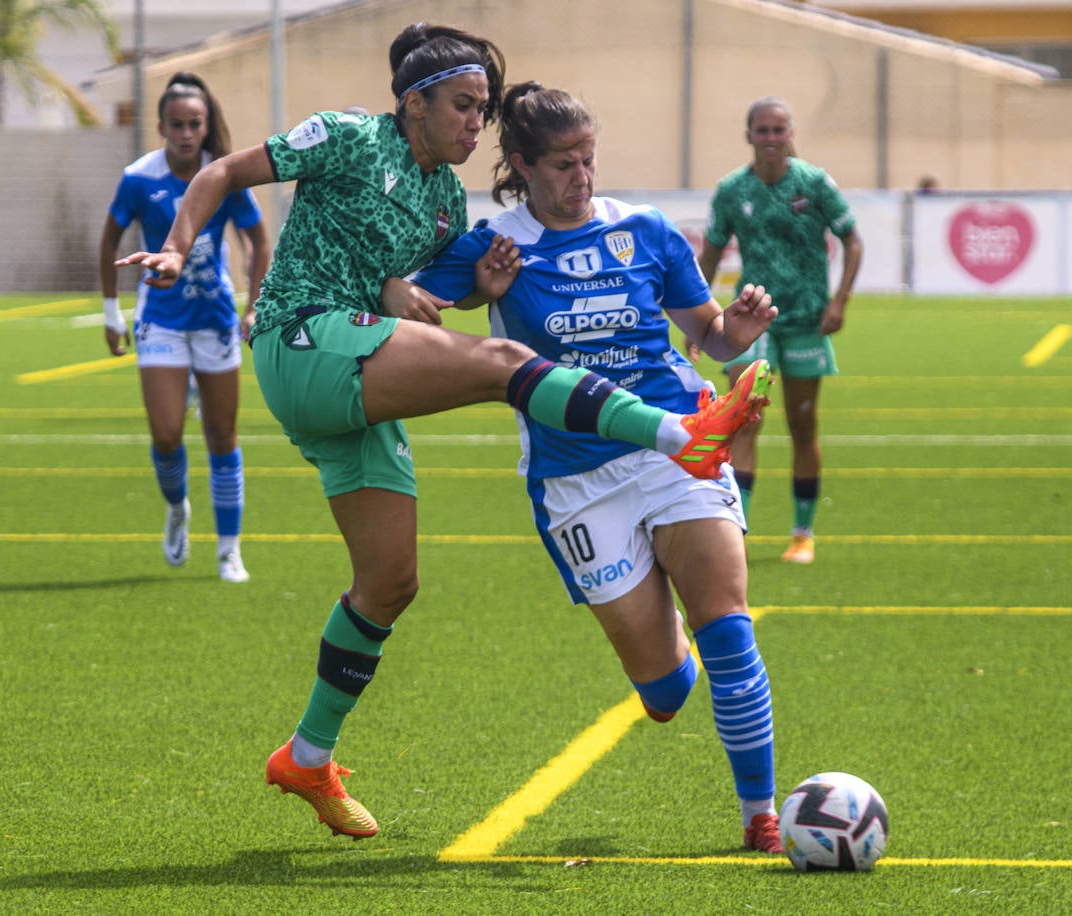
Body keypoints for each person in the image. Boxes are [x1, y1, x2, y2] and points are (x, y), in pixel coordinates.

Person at [114, 23, 769, 841]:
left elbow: (410, 291)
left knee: (390, 583)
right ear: (413, 103)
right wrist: (176, 248)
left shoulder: (446, 204)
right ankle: (683, 436)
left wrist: (443, 292)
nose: (475, 124)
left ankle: (308, 756)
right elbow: (220, 170)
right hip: (302, 337)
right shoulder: (350, 133)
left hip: (356, 376)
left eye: (482, 109)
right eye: (462, 106)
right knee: (501, 363)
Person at [410, 82, 785, 853]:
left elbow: (706, 337)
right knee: (664, 690)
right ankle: (663, 649)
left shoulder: (646, 233)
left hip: (680, 446)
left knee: (730, 634)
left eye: (589, 159)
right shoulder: (494, 246)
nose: (581, 176)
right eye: (563, 163)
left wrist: (735, 331)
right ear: (520, 164)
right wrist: (479, 296)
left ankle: (762, 815)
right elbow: (405, 314)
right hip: (575, 480)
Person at [99, 71, 272, 583]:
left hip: (214, 316)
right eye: (176, 124)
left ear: (205, 125)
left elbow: (259, 242)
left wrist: (253, 305)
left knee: (222, 433)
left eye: (195, 124)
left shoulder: (222, 176)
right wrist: (110, 314)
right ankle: (177, 509)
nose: (185, 133)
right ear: (161, 126)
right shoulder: (139, 178)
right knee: (167, 431)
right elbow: (109, 242)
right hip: (161, 317)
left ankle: (228, 549)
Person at [697, 96, 862, 565]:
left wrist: (839, 300)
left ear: (791, 135)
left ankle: (802, 533)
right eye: (763, 130)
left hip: (807, 321)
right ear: (748, 135)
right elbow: (709, 255)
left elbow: (853, 240)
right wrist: (696, 316)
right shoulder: (731, 190)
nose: (771, 138)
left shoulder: (813, 182)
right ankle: (737, 534)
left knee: (802, 425)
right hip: (752, 324)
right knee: (742, 422)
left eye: (779, 130)